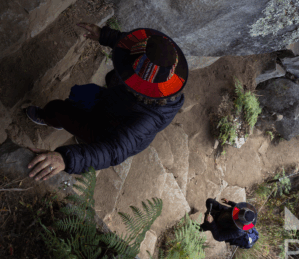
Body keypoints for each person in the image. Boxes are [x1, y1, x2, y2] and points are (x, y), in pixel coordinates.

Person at [25, 23, 189, 182]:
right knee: (79, 93)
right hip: (111, 103)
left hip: (107, 130)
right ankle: (72, 127)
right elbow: (132, 47)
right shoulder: (166, 74)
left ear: (141, 85)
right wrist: (106, 36)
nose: (124, 68)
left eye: (129, 71)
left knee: (57, 109)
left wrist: (66, 159)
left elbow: (113, 151)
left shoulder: (146, 120)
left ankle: (51, 118)